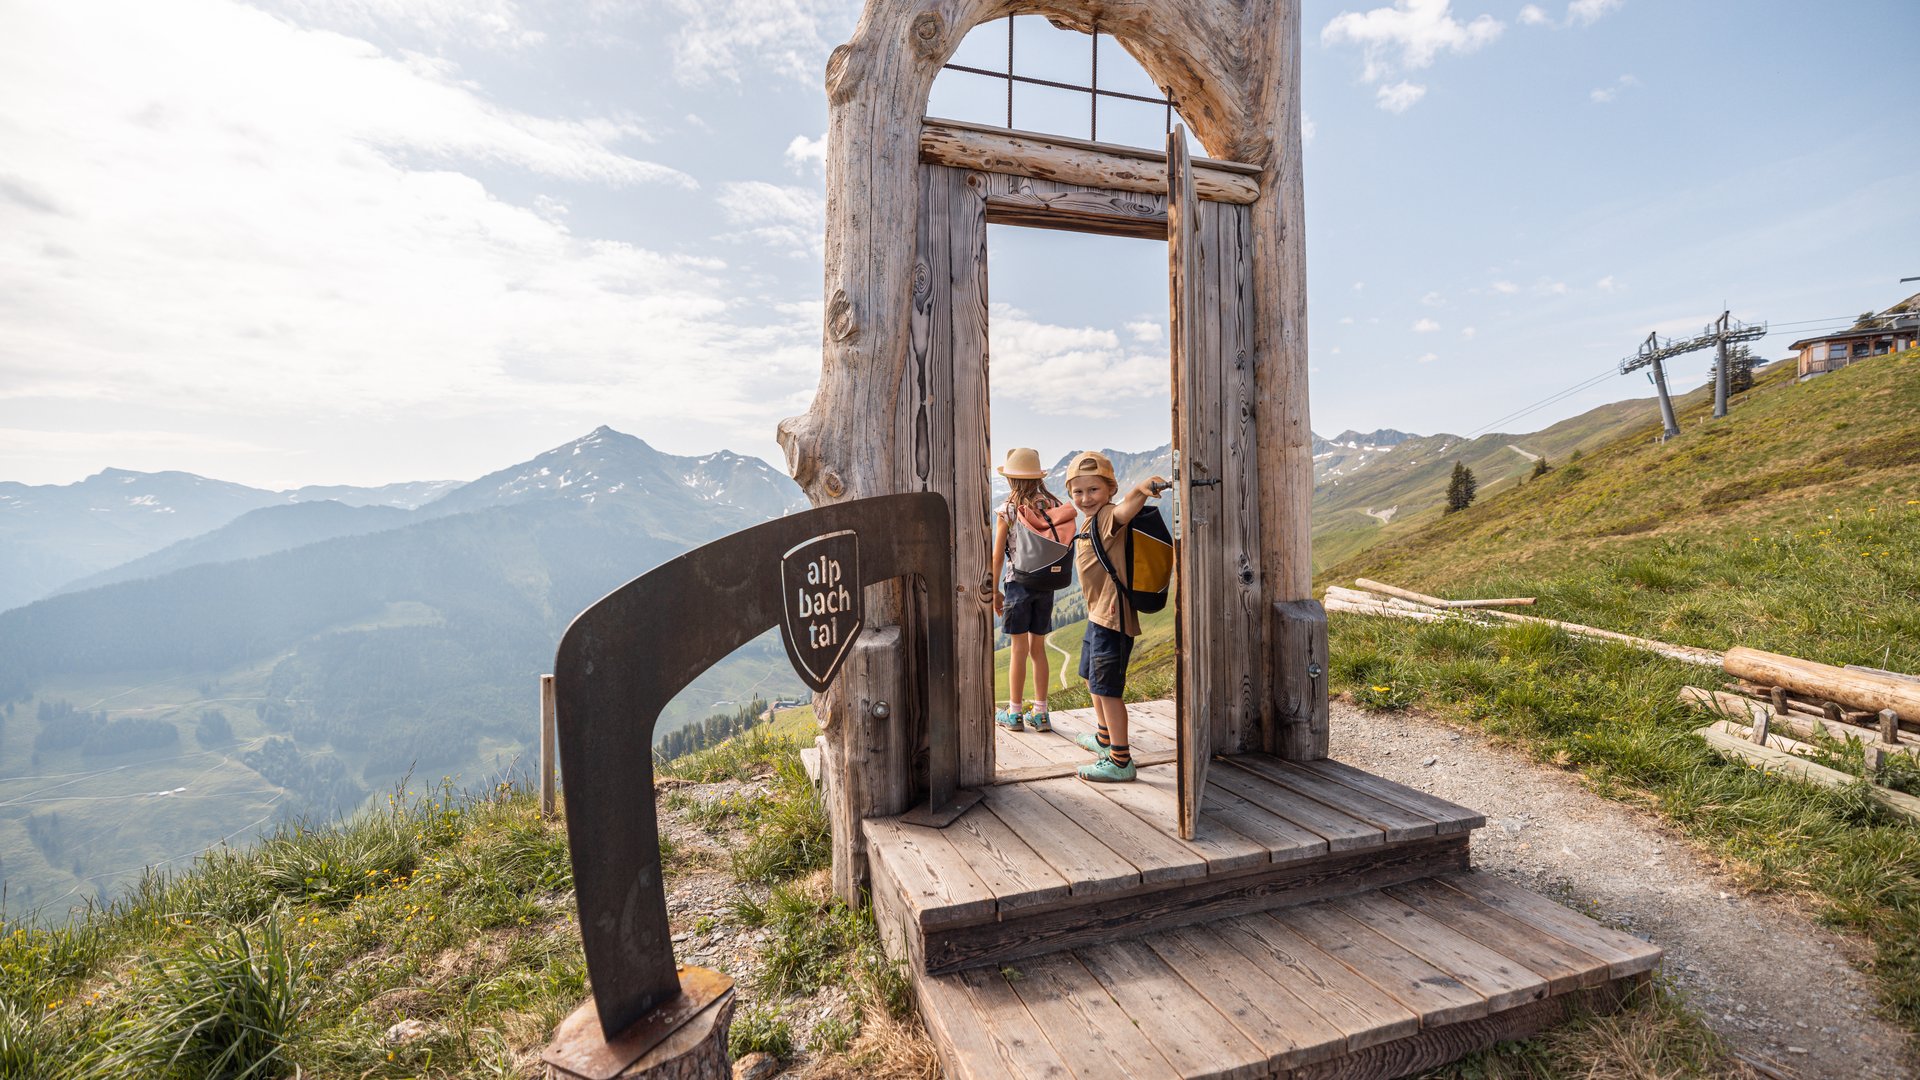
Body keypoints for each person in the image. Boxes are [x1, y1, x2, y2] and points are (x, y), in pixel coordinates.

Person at [1062, 451, 1165, 783]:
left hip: (1112, 620)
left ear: (1109, 490)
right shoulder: (1089, 519)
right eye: (1078, 492)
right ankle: (1104, 737)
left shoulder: (1107, 516)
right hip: (1097, 617)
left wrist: (1141, 489)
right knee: (1091, 678)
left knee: (1108, 689)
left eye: (1093, 490)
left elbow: (1123, 512)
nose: (1085, 498)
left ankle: (1121, 760)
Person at [990, 447, 1070, 733]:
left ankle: (1013, 713)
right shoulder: (1052, 504)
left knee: (1018, 651)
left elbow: (998, 555)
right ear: (1038, 477)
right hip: (1045, 584)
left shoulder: (1007, 509)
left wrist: (995, 589)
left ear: (1011, 479)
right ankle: (1041, 713)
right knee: (1039, 650)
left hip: (1017, 584)